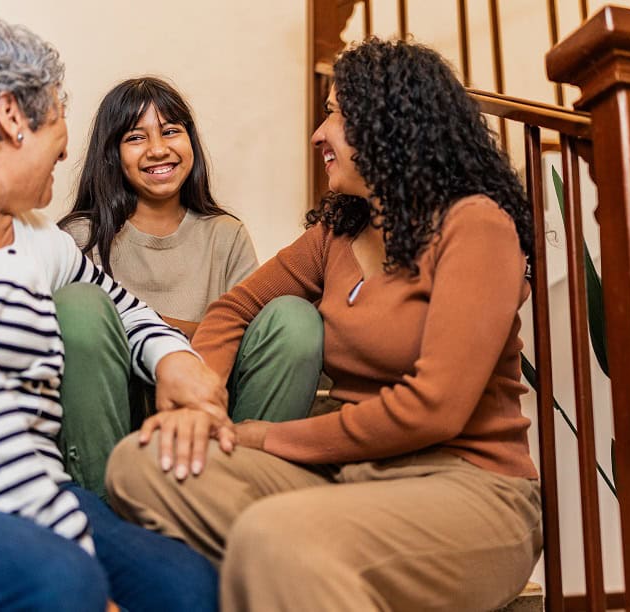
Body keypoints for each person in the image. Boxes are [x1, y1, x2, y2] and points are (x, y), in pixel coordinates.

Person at [106, 37, 543, 612]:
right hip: (345, 478)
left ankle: (293, 566)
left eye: (335, 113)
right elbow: (232, 310)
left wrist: (267, 436)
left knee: (276, 537)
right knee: (140, 464)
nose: (318, 134)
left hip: (467, 488)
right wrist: (199, 403)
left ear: (389, 124)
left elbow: (434, 407)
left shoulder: (476, 226)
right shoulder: (335, 234)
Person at [0, 17, 229, 611]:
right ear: (11, 114)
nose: (65, 136)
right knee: (55, 580)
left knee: (184, 583)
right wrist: (90, 581)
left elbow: (125, 308)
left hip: (26, 486)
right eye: (57, 109)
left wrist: (173, 359)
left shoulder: (37, 236)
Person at [61, 77, 320, 423]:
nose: (157, 149)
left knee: (294, 315)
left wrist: (152, 327)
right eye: (136, 137)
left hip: (212, 414)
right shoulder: (81, 238)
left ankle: (242, 466)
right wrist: (197, 330)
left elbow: (254, 338)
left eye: (170, 131)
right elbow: (84, 340)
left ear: (190, 141)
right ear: (111, 154)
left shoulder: (226, 235)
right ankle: (104, 477)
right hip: (117, 422)